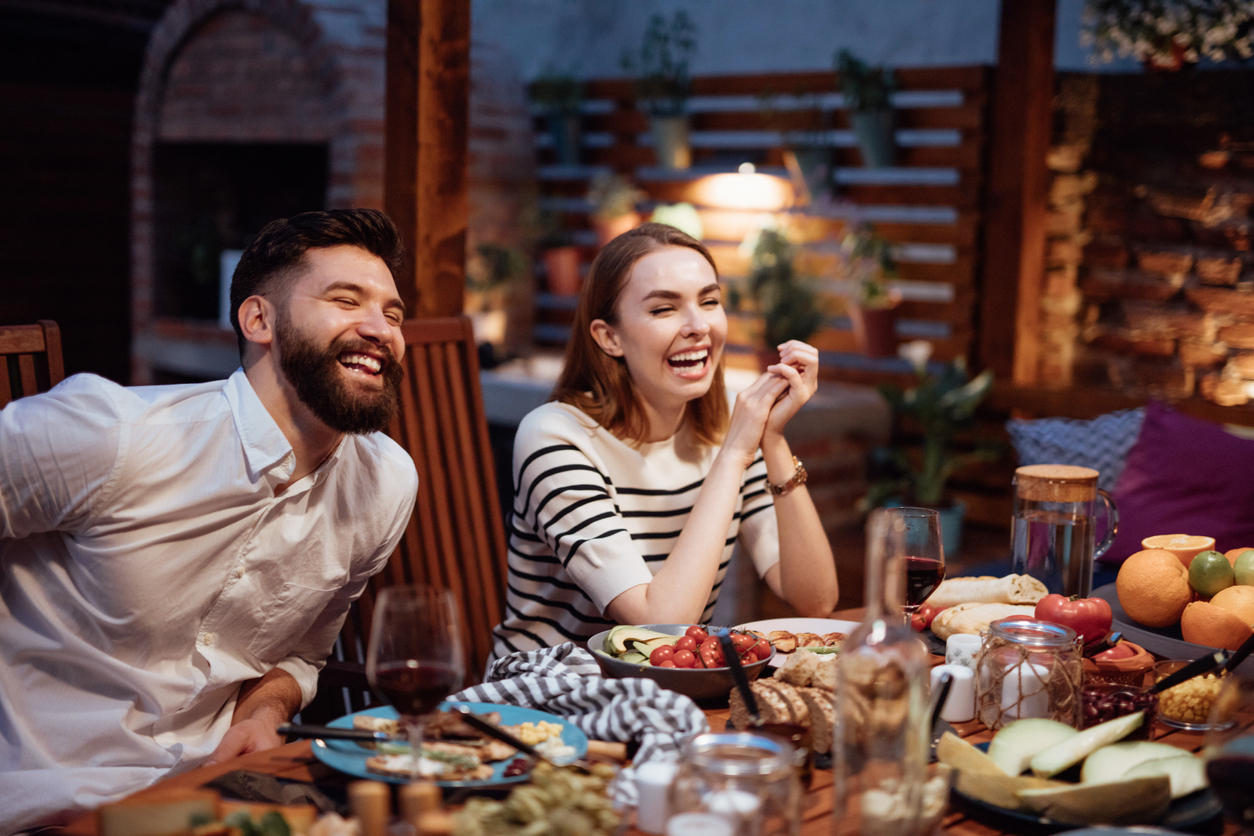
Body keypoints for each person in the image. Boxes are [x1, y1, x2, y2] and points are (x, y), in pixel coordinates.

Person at [0, 209, 419, 832]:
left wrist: (262, 714)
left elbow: (304, 655)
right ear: (259, 321)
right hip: (54, 801)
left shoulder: (386, 482)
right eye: (345, 300)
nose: (379, 329)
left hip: (223, 793)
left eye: (392, 313)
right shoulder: (114, 435)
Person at [491, 223, 838, 662]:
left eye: (709, 302)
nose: (698, 326)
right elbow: (661, 623)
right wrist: (735, 453)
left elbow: (815, 599)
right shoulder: (554, 437)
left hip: (667, 691)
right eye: (663, 310)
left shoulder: (728, 430)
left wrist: (772, 438)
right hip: (550, 694)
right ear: (609, 337)